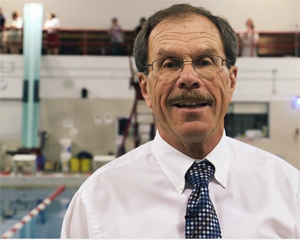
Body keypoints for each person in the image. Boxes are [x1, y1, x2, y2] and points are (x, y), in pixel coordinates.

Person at [61, 4, 300, 238]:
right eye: (169, 64)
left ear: (231, 82)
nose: (188, 78)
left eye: (205, 61)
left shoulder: (289, 190)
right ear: (145, 88)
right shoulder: (95, 203)